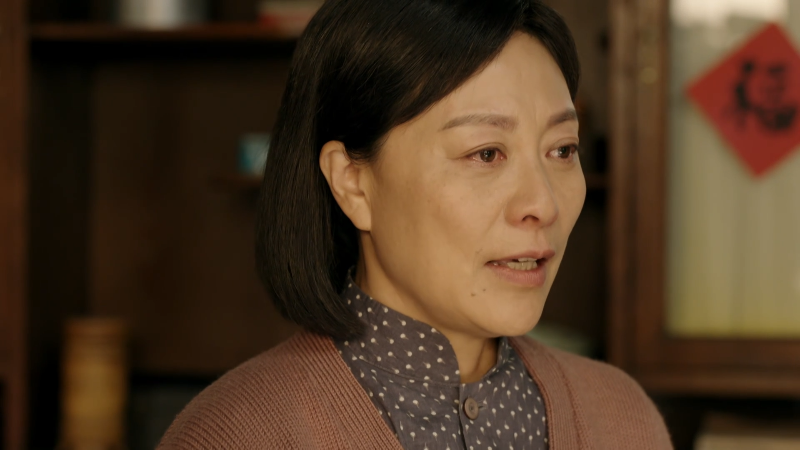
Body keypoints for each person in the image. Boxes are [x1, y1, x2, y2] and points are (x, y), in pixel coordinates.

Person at [158, 0, 673, 448]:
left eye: (562, 150)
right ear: (353, 183)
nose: (543, 203)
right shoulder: (236, 435)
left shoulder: (623, 419)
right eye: (486, 153)